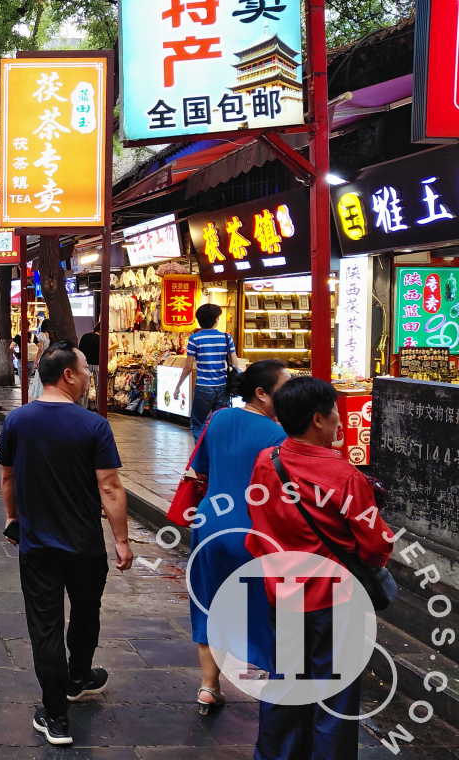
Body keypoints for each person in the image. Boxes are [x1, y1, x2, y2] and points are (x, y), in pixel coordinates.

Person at [244, 376, 392, 760]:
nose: (340, 423)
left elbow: (257, 524)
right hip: (336, 598)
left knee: (286, 687)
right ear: (317, 420)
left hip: (284, 590)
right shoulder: (344, 475)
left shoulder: (268, 461)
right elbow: (375, 543)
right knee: (336, 696)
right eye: (334, 415)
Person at [0, 340, 134, 747]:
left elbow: (7, 478)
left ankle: (56, 714)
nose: (91, 377)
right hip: (85, 544)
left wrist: (12, 519)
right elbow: (110, 487)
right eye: (87, 370)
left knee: (46, 626)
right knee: (87, 610)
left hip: (38, 544)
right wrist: (122, 540)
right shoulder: (93, 425)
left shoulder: (18, 421)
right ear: (68, 375)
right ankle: (78, 675)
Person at [183, 360, 291, 714]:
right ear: (262, 393)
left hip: (210, 525)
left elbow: (198, 469)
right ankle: (268, 679)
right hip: (254, 531)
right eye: (284, 387)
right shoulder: (279, 437)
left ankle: (208, 686)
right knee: (262, 605)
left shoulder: (217, 419)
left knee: (208, 602)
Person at [176, 303, 241, 438]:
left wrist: (178, 386)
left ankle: (201, 452)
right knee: (220, 423)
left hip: (203, 387)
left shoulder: (195, 338)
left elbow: (188, 367)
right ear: (216, 320)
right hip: (223, 387)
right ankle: (216, 450)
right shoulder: (226, 337)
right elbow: (234, 362)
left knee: (198, 423)